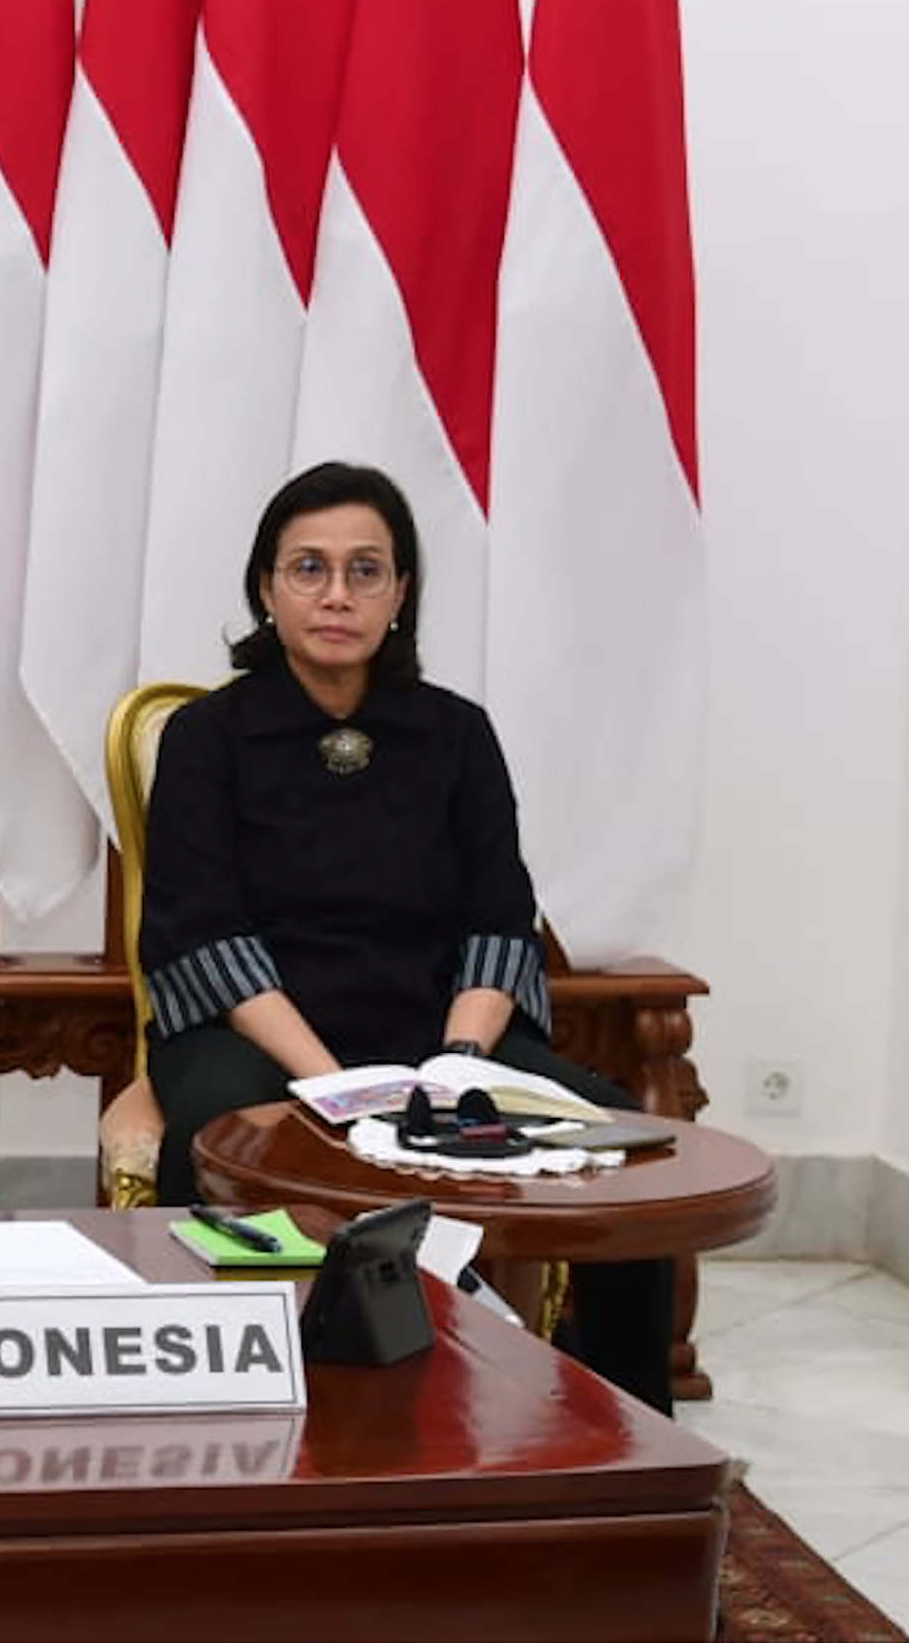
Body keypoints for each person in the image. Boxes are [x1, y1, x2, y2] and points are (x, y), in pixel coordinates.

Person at [137, 459, 675, 1410]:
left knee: (620, 1151)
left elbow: (499, 919)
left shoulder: (456, 734)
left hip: (436, 1032)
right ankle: (217, 1405)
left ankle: (630, 1434)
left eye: (365, 570)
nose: (336, 595)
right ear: (265, 587)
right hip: (258, 1037)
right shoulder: (207, 738)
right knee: (221, 1139)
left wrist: (461, 1064)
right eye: (308, 569)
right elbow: (203, 935)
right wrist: (337, 1085)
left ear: (402, 591)